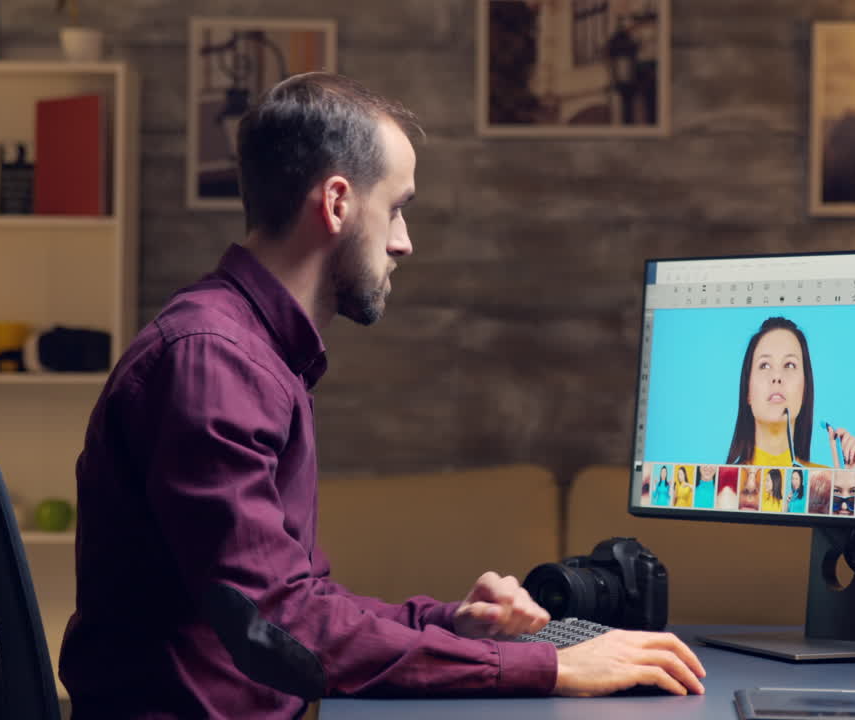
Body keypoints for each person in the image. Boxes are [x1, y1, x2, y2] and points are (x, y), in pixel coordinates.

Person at [57, 73, 705, 719]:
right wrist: (550, 665)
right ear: (338, 203)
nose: (403, 242)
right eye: (396, 207)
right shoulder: (215, 363)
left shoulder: (245, 354)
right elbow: (278, 627)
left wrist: (452, 624)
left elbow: (299, 602)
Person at [725, 317, 855, 470]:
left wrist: (846, 483)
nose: (777, 376)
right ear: (747, 391)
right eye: (764, 365)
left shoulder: (826, 481)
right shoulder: (720, 484)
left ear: (805, 389)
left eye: (790, 364)